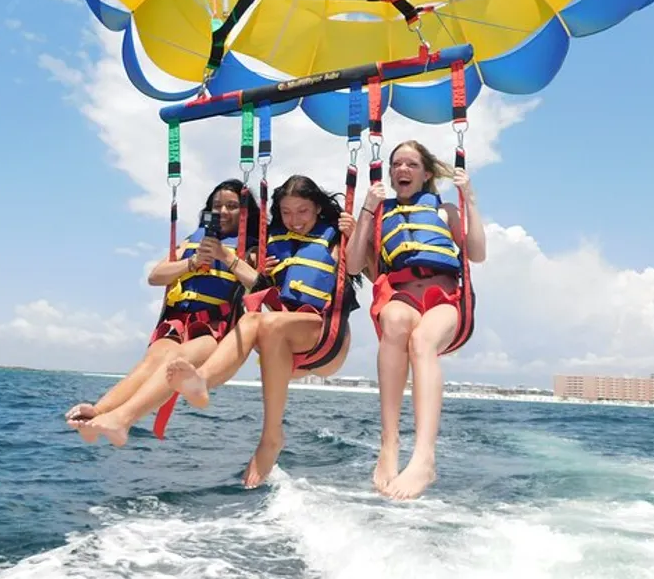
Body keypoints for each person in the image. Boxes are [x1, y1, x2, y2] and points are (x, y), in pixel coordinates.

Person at [166, 174, 359, 487]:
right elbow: (258, 288)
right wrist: (261, 273)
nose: (295, 220)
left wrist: (358, 229)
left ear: (318, 210)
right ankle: (201, 383)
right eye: (286, 212)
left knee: (258, 321)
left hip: (326, 339)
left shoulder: (337, 239)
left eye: (303, 212)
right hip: (283, 345)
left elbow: (363, 269)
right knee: (258, 320)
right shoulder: (274, 247)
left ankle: (268, 434)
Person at [64, 178, 262, 446]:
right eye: (217, 206)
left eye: (231, 206)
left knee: (177, 359)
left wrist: (226, 257)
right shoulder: (192, 242)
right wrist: (191, 263)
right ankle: (99, 412)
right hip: (177, 320)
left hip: (214, 327)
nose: (223, 212)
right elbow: (156, 276)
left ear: (245, 212)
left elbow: (259, 284)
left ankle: (122, 419)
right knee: (152, 360)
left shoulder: (250, 249)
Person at [345, 140, 486, 500]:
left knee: (423, 341)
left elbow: (478, 254)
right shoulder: (379, 214)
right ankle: (389, 444)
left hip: (445, 298)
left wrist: (469, 199)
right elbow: (355, 263)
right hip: (403, 294)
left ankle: (424, 458)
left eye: (410, 164)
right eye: (396, 164)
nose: (402, 170)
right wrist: (366, 209)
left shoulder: (445, 211)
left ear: (425, 174)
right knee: (393, 321)